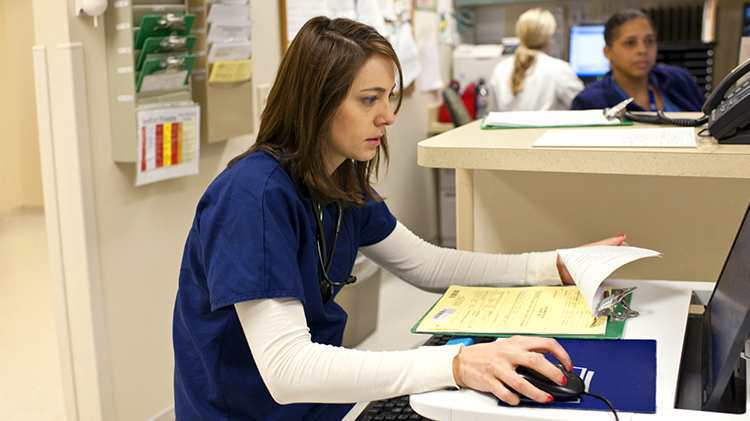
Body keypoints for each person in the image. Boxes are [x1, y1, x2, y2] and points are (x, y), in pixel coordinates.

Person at [172, 16, 628, 420]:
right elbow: (288, 369)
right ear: (318, 102)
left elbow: (426, 264)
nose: (388, 116)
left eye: (388, 97)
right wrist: (455, 365)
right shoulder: (252, 196)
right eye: (370, 100)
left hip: (320, 407)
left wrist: (550, 266)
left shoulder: (337, 181)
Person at [571, 9, 705, 111]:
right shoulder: (588, 102)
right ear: (607, 52)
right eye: (630, 43)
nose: (643, 50)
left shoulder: (679, 80)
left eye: (649, 41)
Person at [488, 8, 584, 111]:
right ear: (549, 37)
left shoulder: (500, 69)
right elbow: (584, 105)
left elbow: (491, 115)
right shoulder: (559, 69)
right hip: (548, 127)